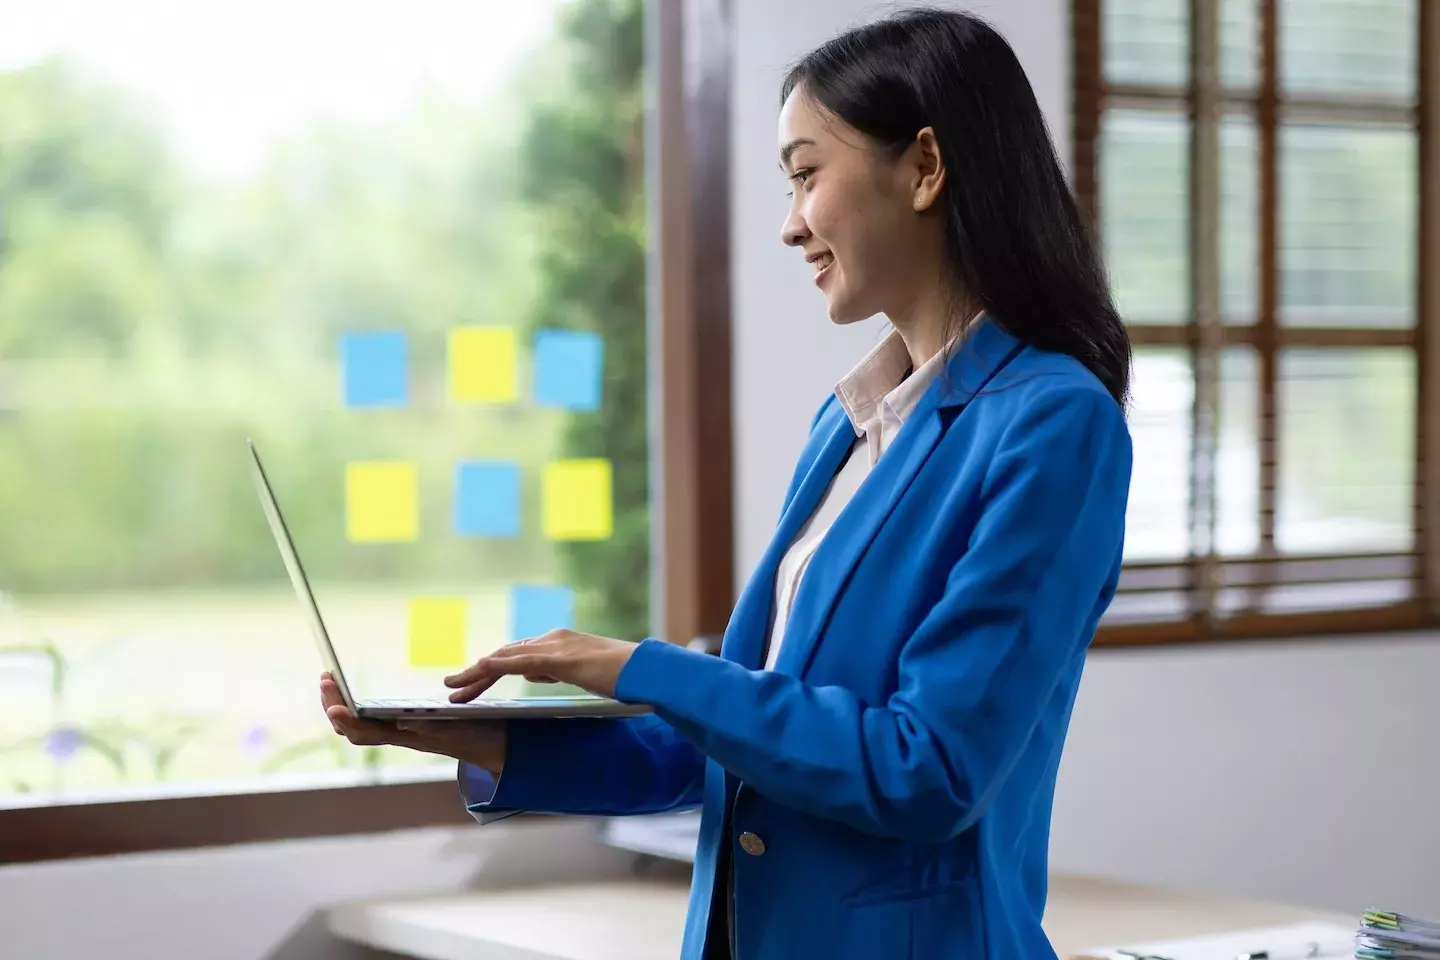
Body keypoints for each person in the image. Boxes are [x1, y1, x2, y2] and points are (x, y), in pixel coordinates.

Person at [320, 8, 1133, 959]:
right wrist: (460, 736)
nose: (790, 226)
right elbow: (729, 740)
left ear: (923, 168)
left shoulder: (1054, 422)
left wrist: (642, 667)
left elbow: (930, 770)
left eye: (805, 175)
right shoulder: (848, 423)